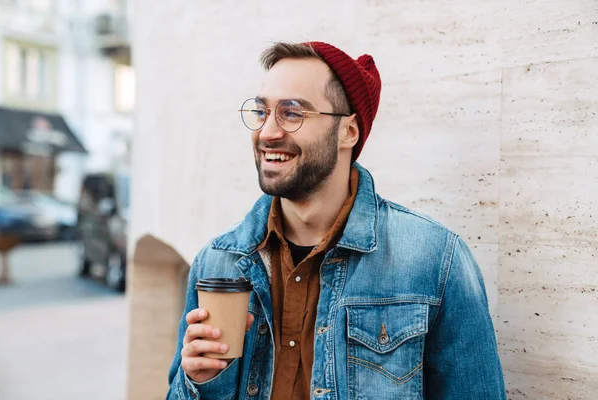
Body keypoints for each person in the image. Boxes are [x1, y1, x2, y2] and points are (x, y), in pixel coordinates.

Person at [167, 41, 506, 400]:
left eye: (292, 113)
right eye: (261, 111)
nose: (267, 132)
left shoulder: (435, 260)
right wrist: (200, 383)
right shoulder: (219, 261)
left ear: (349, 131)